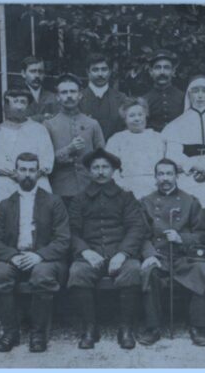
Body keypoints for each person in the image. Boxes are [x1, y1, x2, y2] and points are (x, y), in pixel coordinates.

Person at [0, 153, 70, 353]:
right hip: (13, 257)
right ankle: (10, 332)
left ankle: (38, 333)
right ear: (16, 173)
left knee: (42, 276)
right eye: (22, 170)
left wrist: (39, 255)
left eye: (32, 170)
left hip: (44, 258)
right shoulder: (5, 204)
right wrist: (12, 256)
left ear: (38, 173)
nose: (27, 175)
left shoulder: (53, 202)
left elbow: (63, 239)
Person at [67, 148, 146, 350]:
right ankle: (90, 328)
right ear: (89, 171)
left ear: (113, 170)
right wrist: (85, 251)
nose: (100, 172)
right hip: (90, 254)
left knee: (133, 270)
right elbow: (71, 231)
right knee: (77, 272)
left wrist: (122, 254)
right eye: (96, 167)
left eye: (105, 167)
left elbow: (136, 227)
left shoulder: (126, 197)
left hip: (120, 253)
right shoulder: (79, 199)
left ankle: (126, 328)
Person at [137, 158, 205, 347]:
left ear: (177, 176)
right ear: (155, 177)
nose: (165, 178)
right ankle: (153, 327)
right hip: (159, 256)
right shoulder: (145, 202)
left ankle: (198, 326)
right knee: (149, 271)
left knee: (201, 268)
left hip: (184, 256)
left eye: (169, 174)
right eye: (160, 174)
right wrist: (150, 255)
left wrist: (181, 238)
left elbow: (202, 234)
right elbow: (140, 234)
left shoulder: (190, 201)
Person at [162, 76, 205, 208]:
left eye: (204, 91)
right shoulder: (177, 124)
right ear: (189, 94)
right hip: (189, 174)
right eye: (195, 91)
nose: (200, 96)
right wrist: (196, 166)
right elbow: (173, 155)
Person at [0, 85, 54, 221]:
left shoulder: (39, 129)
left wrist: (34, 174)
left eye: (23, 102)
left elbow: (47, 157)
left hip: (36, 180)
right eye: (15, 102)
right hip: (9, 182)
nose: (19, 107)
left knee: (38, 220)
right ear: (7, 105)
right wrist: (17, 175)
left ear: (28, 105)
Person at [44, 73, 105, 207]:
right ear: (58, 97)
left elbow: (102, 157)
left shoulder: (92, 124)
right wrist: (69, 149)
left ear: (80, 95)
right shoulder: (49, 125)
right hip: (61, 190)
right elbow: (46, 161)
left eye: (73, 91)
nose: (69, 96)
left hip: (89, 188)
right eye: (64, 92)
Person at [105, 97, 165, 199]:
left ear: (146, 116)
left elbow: (164, 165)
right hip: (127, 188)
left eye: (140, 115)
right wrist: (122, 187)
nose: (137, 119)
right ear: (125, 119)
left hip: (155, 187)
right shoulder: (116, 139)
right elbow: (111, 168)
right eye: (132, 116)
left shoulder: (158, 138)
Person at [79, 53, 127, 140]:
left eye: (104, 69)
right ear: (87, 72)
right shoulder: (78, 98)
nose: (100, 74)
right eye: (95, 70)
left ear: (110, 71)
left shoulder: (121, 99)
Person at [143, 49, 185, 132]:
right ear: (151, 72)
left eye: (166, 68)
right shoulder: (145, 100)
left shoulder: (183, 97)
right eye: (158, 68)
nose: (162, 72)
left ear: (173, 71)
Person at [20, 56, 59, 123]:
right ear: (23, 73)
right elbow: (17, 121)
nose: (37, 75)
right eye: (33, 71)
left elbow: (57, 121)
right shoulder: (16, 96)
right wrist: (42, 117)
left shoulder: (52, 97)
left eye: (40, 72)